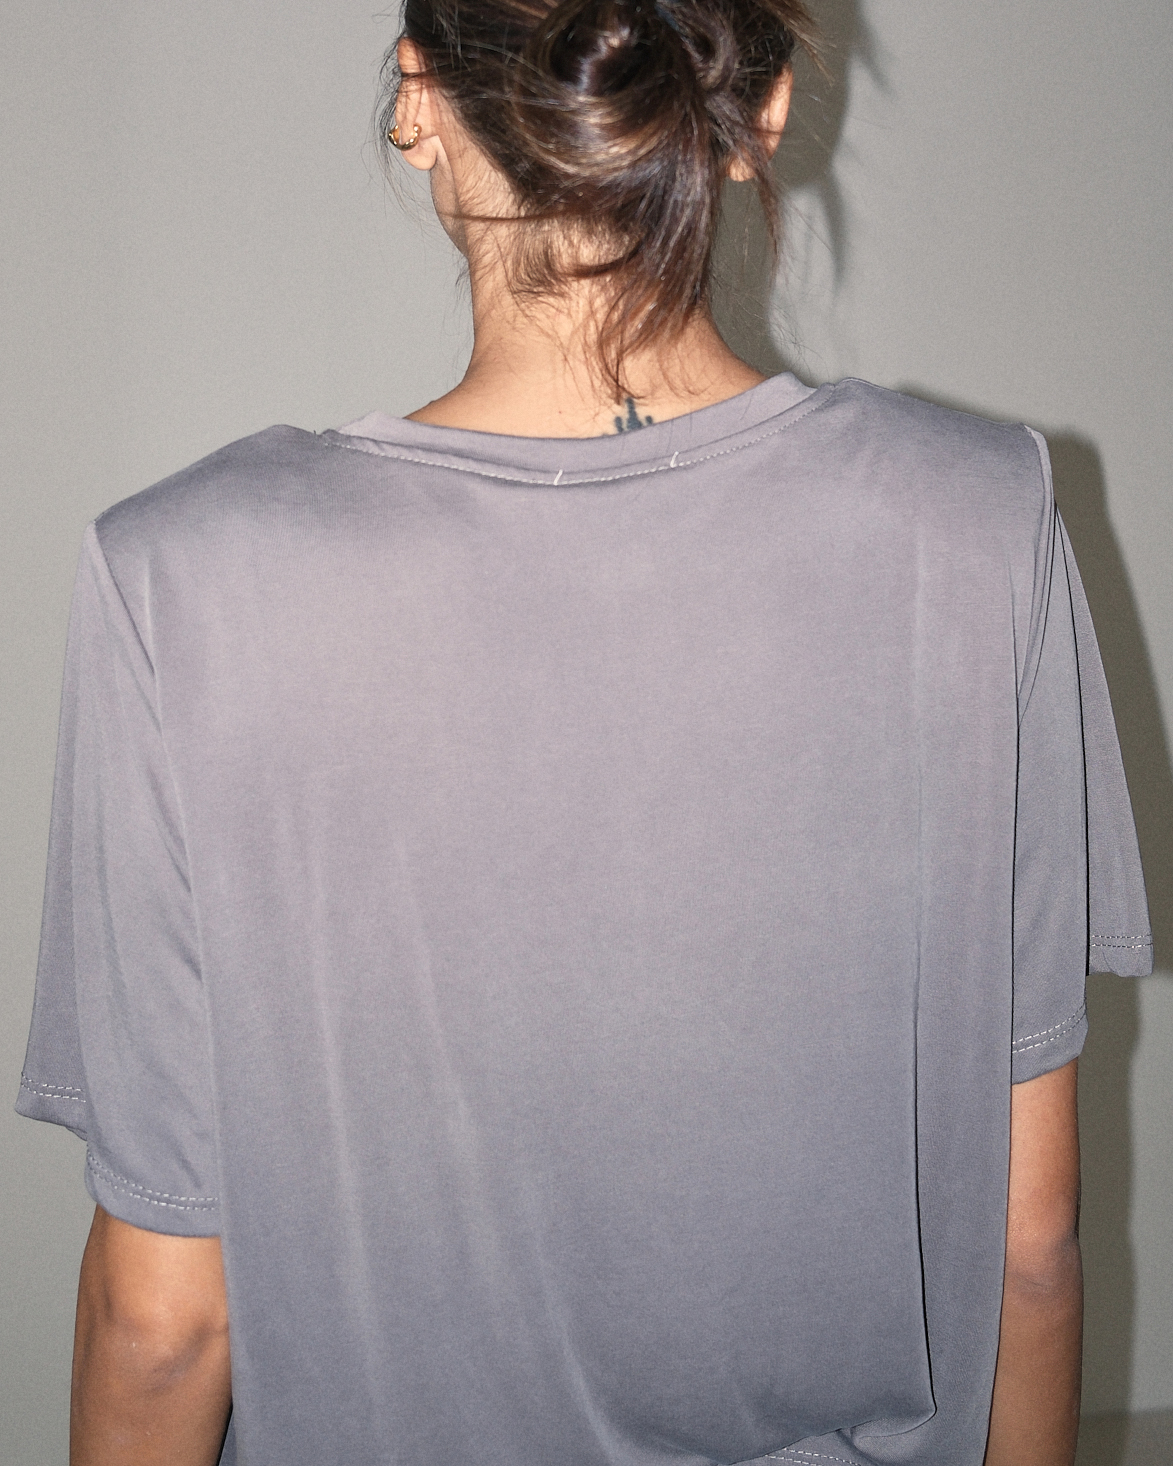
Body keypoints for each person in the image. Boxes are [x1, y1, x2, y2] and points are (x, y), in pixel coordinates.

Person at [15, 2, 1152, 1465]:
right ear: (760, 112)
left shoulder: (182, 575)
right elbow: (1030, 1242)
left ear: (417, 99)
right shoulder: (977, 517)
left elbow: (165, 1321)